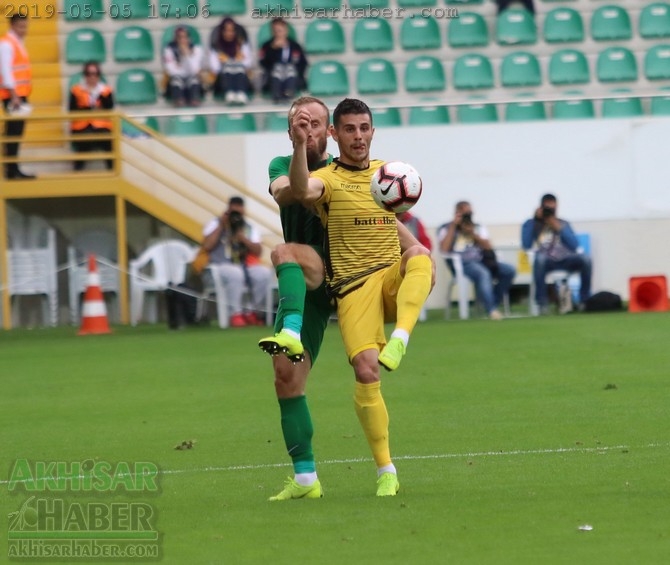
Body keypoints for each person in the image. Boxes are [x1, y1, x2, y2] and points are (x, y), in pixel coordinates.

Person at [283, 97, 434, 497]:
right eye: (349, 129)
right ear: (334, 134)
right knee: (367, 372)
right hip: (353, 288)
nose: (358, 136)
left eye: (364, 128)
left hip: (388, 276)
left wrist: (422, 270)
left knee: (420, 256)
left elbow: (407, 237)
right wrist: (300, 145)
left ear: (372, 130)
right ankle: (386, 470)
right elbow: (301, 188)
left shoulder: (387, 175)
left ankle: (400, 338)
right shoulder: (329, 179)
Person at [438, 201, 516, 320]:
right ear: (456, 213)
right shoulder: (446, 228)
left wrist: (472, 233)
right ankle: (491, 310)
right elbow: (444, 249)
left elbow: (489, 246)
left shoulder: (478, 227)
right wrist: (454, 226)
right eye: (464, 214)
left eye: (469, 213)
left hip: (483, 261)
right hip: (462, 264)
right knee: (483, 274)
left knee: (509, 270)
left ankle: (492, 302)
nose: (467, 216)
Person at [202, 197, 273, 327]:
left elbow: (258, 251)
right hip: (220, 266)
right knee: (236, 273)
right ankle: (235, 314)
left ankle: (253, 311)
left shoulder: (248, 227)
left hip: (244, 265)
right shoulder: (215, 223)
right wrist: (221, 226)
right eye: (232, 212)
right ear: (227, 210)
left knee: (263, 273)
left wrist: (243, 239)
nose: (235, 217)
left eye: (238, 213)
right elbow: (207, 246)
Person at [521, 193, 592, 314]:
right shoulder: (532, 223)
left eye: (552, 208)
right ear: (541, 207)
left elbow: (574, 245)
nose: (549, 211)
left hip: (565, 258)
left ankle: (584, 301)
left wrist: (558, 227)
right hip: (546, 261)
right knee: (540, 259)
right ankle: (542, 303)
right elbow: (526, 244)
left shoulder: (563, 223)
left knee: (586, 260)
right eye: (547, 208)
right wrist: (535, 221)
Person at [0, 13, 34, 179]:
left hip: (19, 95)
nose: (24, 30)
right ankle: (11, 170)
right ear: (12, 25)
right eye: (21, 26)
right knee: (13, 133)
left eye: (25, 26)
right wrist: (14, 95)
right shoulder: (7, 44)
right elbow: (6, 71)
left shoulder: (17, 43)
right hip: (13, 96)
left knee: (17, 132)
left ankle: (13, 168)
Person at [69, 61, 114, 171]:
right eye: (89, 74)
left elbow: (109, 107)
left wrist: (100, 96)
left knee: (108, 140)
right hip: (82, 125)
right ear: (85, 75)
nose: (92, 77)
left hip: (102, 125)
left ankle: (112, 170)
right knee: (84, 139)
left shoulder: (106, 90)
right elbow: (72, 110)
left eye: (95, 74)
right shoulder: (76, 90)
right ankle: (78, 171)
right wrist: (89, 109)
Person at [258, 18, 307, 104]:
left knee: (290, 68)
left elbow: (303, 63)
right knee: (278, 68)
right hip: (273, 77)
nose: (278, 33)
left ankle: (289, 93)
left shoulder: (295, 45)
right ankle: (277, 95)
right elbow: (264, 64)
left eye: (280, 30)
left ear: (286, 30)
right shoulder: (267, 46)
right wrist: (273, 49)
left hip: (292, 77)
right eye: (275, 31)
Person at [209, 17, 253, 105]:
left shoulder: (242, 45)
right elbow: (215, 68)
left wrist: (238, 58)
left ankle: (241, 92)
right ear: (222, 32)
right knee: (228, 66)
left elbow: (248, 64)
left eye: (232, 30)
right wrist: (226, 61)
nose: (230, 33)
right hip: (222, 80)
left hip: (241, 77)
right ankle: (229, 93)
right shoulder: (216, 47)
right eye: (227, 31)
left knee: (238, 66)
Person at [162, 26, 205, 107]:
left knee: (194, 80)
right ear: (176, 39)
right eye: (180, 38)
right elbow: (171, 71)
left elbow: (194, 70)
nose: (183, 40)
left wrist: (186, 56)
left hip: (191, 78)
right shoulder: (169, 50)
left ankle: (194, 100)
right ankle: (179, 101)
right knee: (176, 81)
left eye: (185, 37)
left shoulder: (197, 49)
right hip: (177, 78)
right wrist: (182, 67)